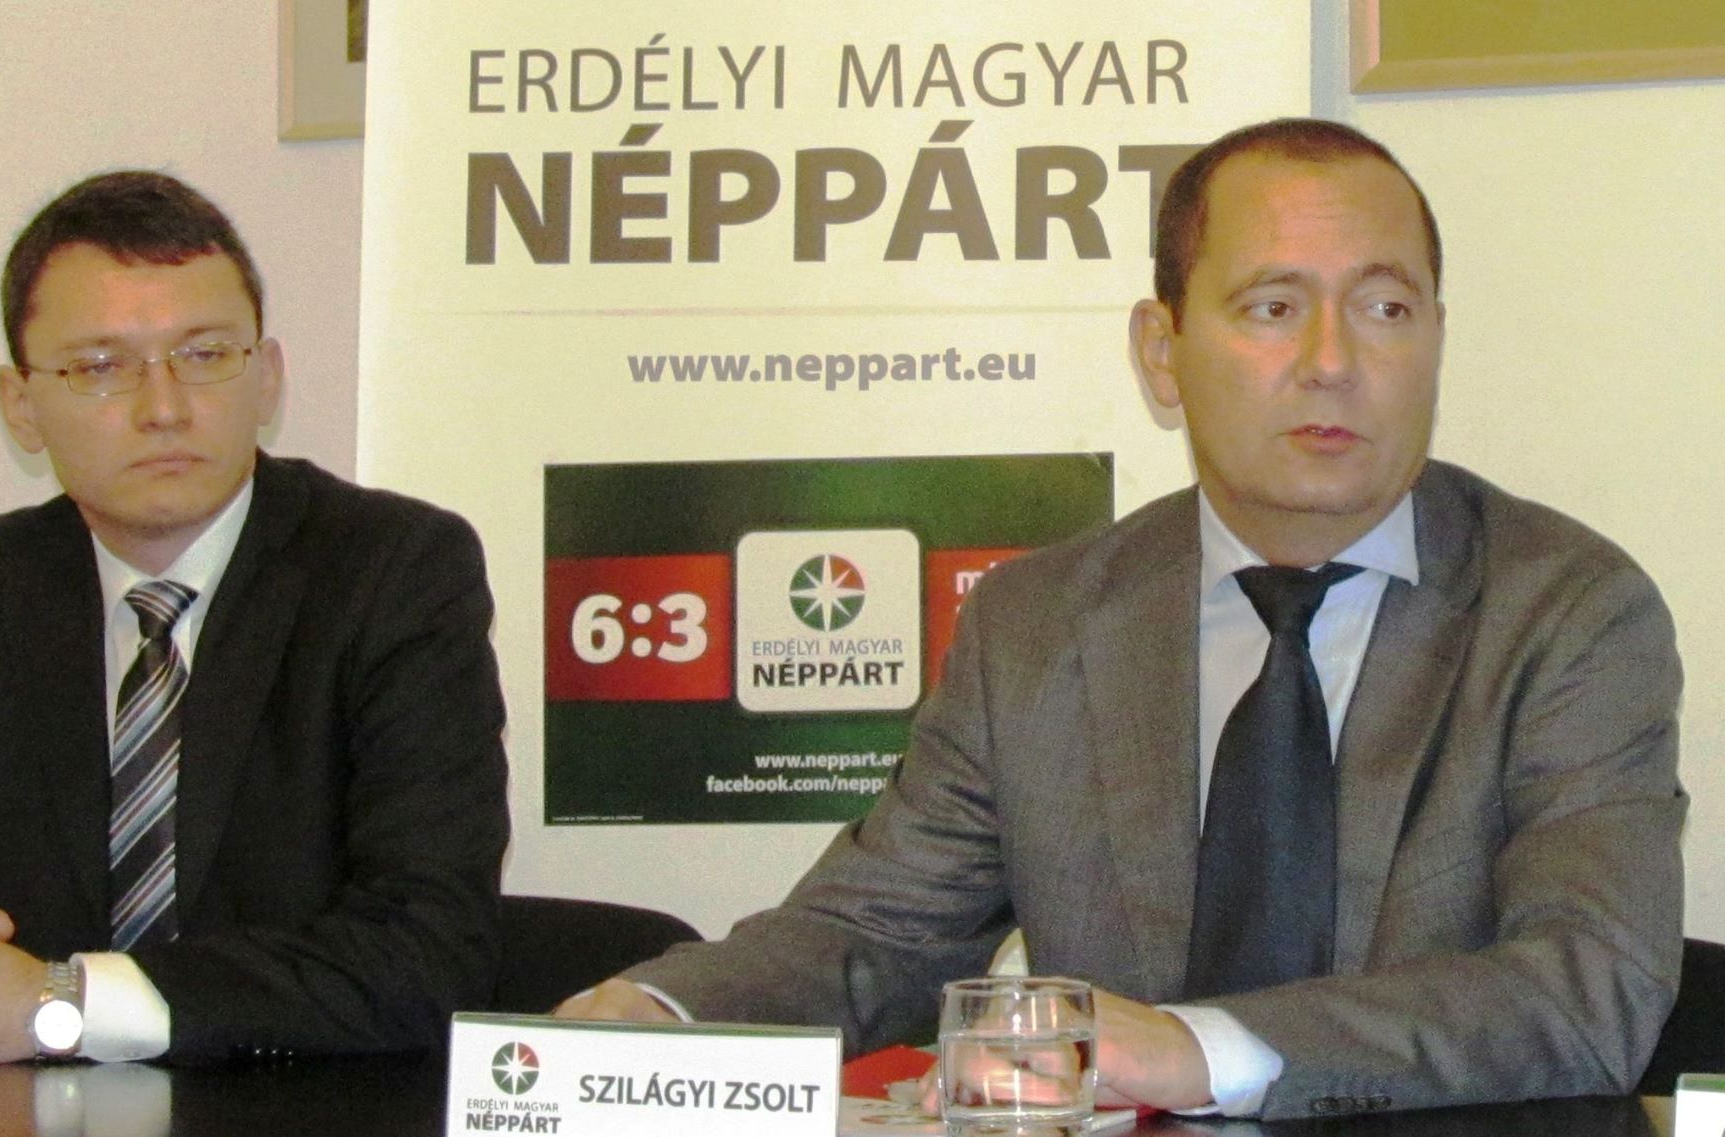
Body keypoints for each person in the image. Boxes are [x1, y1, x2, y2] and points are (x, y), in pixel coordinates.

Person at [558, 118, 1685, 1120]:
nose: (1332, 362)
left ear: (1434, 336)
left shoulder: (1566, 612)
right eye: (1272, 308)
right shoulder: (1036, 624)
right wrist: (658, 1014)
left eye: (1385, 308)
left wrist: (1193, 1050)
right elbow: (877, 933)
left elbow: (1586, 988)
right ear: (1162, 350)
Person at [0, 171, 510, 1065]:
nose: (165, 408)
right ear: (21, 406)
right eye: (102, 368)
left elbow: (429, 952)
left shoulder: (393, 570)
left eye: (206, 355)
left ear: (267, 378)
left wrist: (58, 1003)